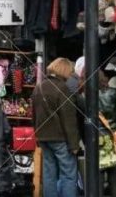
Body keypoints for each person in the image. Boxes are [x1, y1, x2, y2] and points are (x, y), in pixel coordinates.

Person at [33, 58, 80, 197]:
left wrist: (37, 135)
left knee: (49, 173)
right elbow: (69, 119)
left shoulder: (39, 87)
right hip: (60, 138)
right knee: (69, 174)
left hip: (43, 137)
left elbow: (34, 115)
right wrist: (74, 144)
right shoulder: (63, 89)